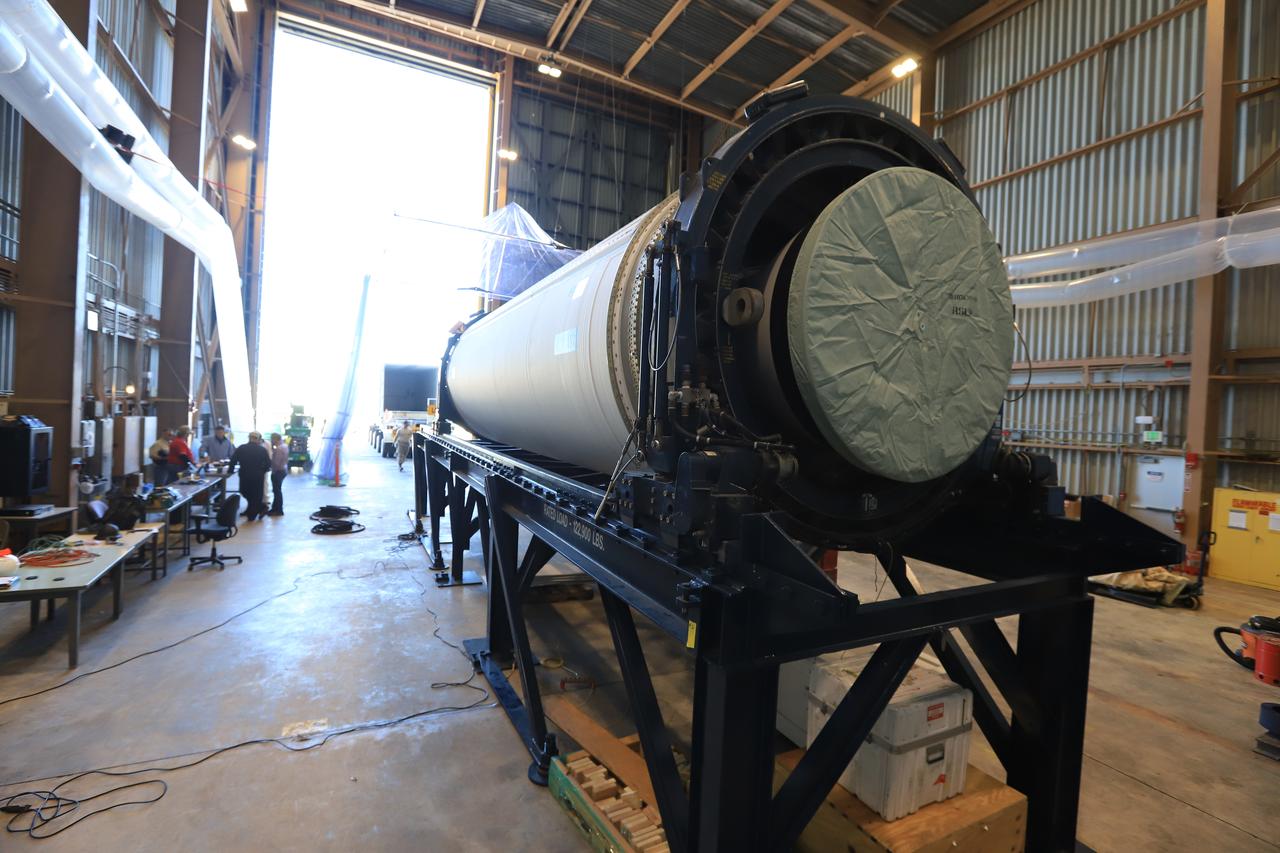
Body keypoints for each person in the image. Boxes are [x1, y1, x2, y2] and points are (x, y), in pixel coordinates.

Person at [228, 431, 272, 521]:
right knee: (256, 494)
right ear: (258, 439)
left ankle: (252, 513)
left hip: (245, 475)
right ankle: (260, 508)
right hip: (258, 476)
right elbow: (268, 464)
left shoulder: (241, 448)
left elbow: (233, 460)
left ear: (249, 438)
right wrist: (263, 471)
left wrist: (230, 471)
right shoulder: (262, 450)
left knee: (245, 492)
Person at [268, 433, 288, 516]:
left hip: (278, 472)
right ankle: (275, 508)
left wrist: (272, 469)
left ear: (275, 439)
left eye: (272, 439)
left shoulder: (279, 449)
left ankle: (279, 510)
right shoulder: (284, 446)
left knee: (277, 491)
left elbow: (276, 463)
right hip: (283, 470)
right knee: (277, 490)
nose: (271, 441)